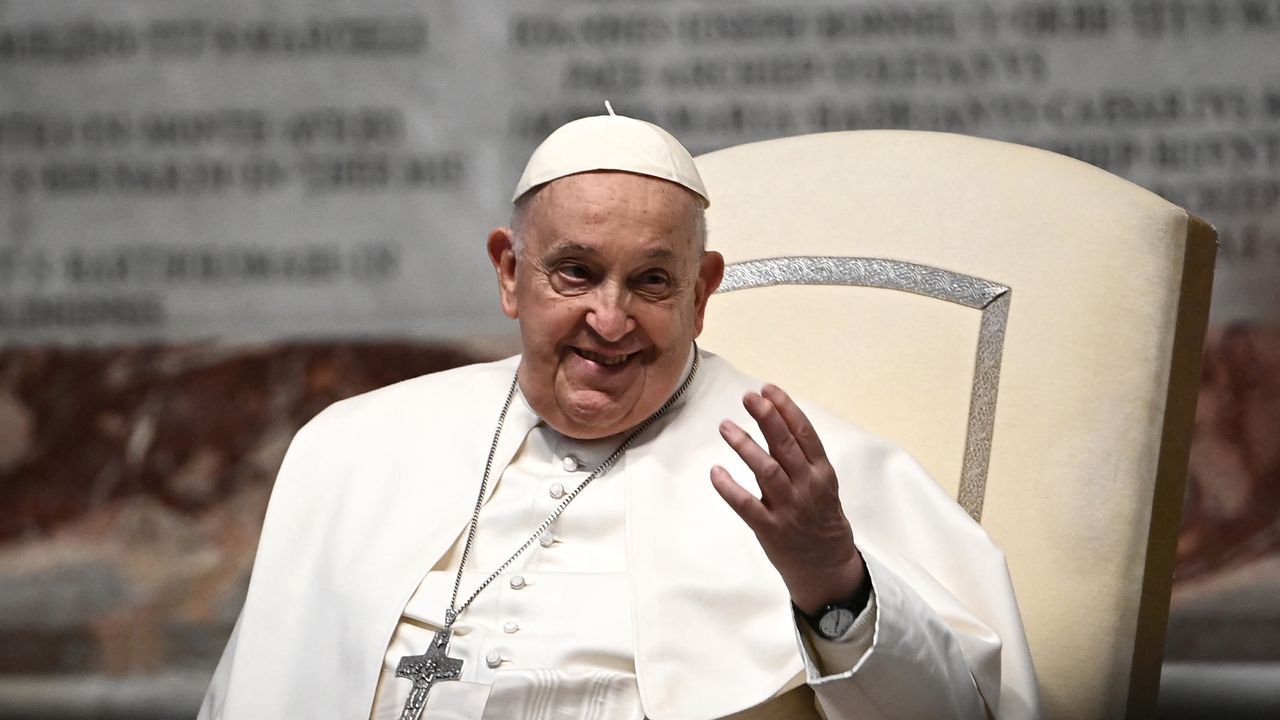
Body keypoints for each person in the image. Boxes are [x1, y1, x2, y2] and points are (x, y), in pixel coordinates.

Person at [200, 110, 1041, 719]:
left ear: (703, 293)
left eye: (651, 282)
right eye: (574, 274)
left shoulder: (811, 478)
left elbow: (963, 711)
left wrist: (832, 583)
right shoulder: (355, 449)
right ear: (509, 273)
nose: (610, 321)